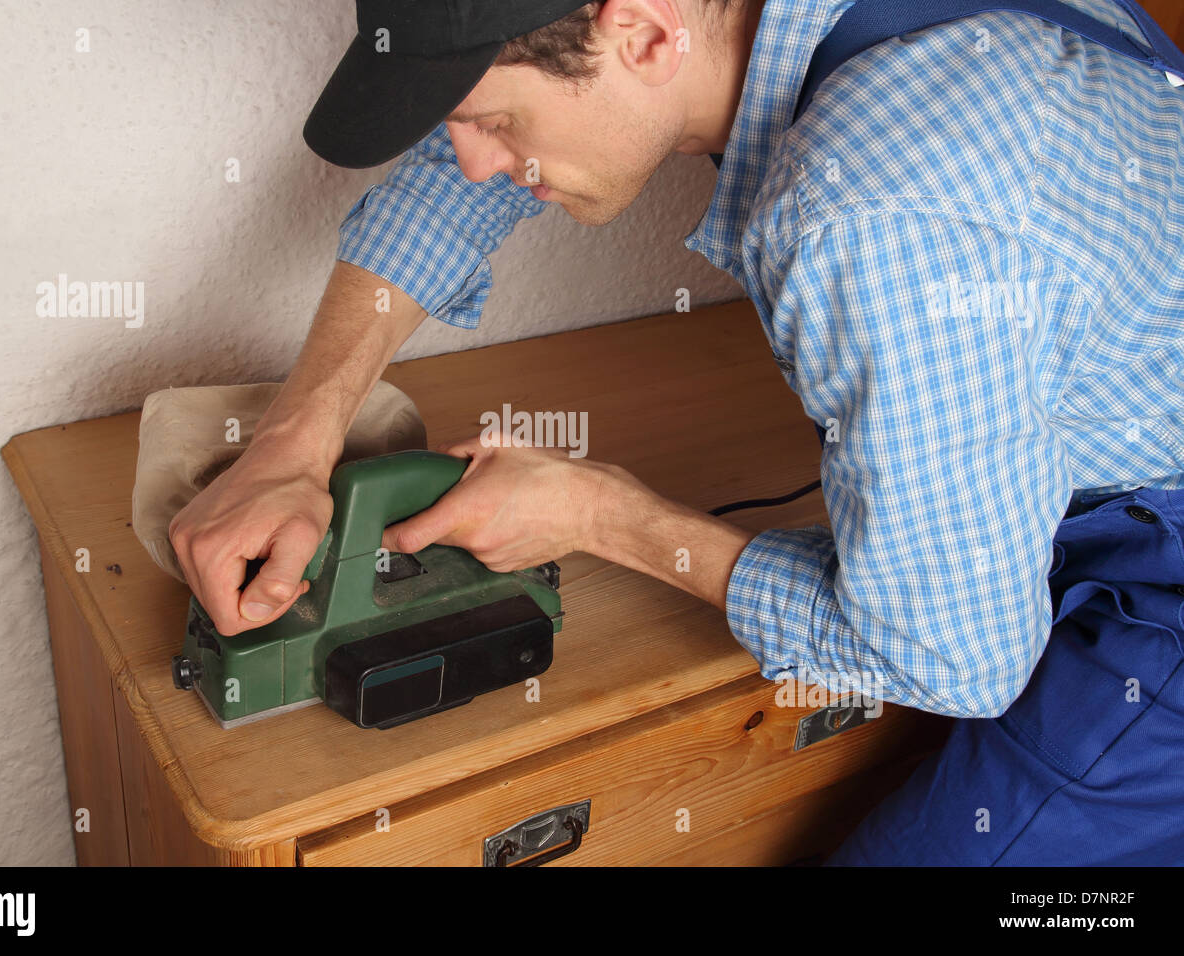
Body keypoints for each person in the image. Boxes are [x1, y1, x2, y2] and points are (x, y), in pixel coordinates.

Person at [169, 0, 1184, 864]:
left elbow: (950, 656)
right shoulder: (729, 28)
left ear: (648, 35)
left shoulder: (874, 219)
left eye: (493, 121)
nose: (473, 161)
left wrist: (598, 514)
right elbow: (456, 175)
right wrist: (292, 442)